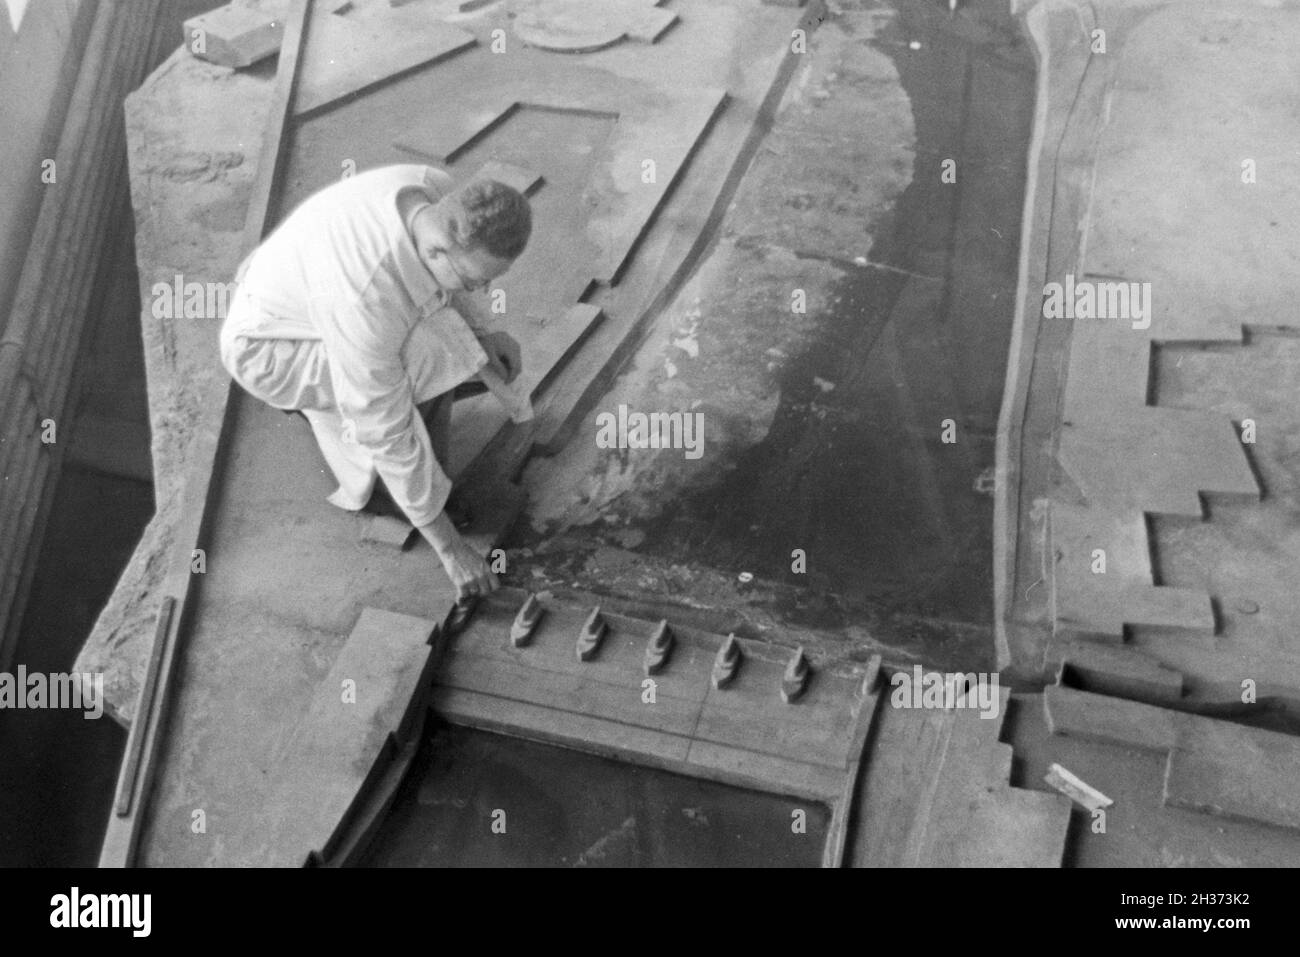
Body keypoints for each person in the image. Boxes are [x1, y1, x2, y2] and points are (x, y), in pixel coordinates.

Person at [219, 164, 532, 601]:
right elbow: (384, 427)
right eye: (473, 280)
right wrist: (450, 547)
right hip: (269, 347)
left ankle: (399, 450)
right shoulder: (366, 297)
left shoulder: (433, 190)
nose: (481, 291)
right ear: (437, 251)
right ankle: (386, 496)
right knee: (423, 361)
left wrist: (484, 332)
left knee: (453, 347)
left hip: (299, 288)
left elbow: (456, 298)